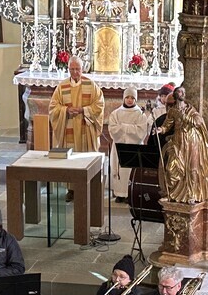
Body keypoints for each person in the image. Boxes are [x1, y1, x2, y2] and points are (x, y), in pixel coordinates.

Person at [48, 56, 104, 203]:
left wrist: (82, 110)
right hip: (69, 127)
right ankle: (71, 189)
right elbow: (53, 107)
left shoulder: (91, 85)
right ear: (68, 69)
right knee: (70, 158)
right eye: (72, 69)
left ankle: (88, 187)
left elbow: (99, 105)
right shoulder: (62, 87)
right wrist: (66, 110)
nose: (74, 72)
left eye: (77, 69)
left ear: (82, 69)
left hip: (86, 128)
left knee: (86, 156)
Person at [157, 86, 208, 204]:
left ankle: (192, 194)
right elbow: (167, 125)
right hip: (178, 141)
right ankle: (172, 194)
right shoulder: (172, 111)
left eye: (184, 92)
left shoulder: (190, 109)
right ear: (175, 95)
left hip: (192, 141)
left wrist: (186, 117)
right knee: (171, 168)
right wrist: (161, 129)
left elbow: (198, 122)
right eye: (180, 92)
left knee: (192, 168)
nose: (183, 94)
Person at [107, 87, 152, 203]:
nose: (130, 100)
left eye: (132, 98)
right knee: (119, 170)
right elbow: (112, 129)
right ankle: (119, 194)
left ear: (136, 99)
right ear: (123, 98)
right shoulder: (116, 113)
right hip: (119, 146)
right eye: (127, 97)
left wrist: (123, 127)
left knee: (130, 171)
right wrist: (129, 129)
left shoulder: (140, 114)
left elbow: (141, 132)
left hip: (134, 147)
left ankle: (130, 194)